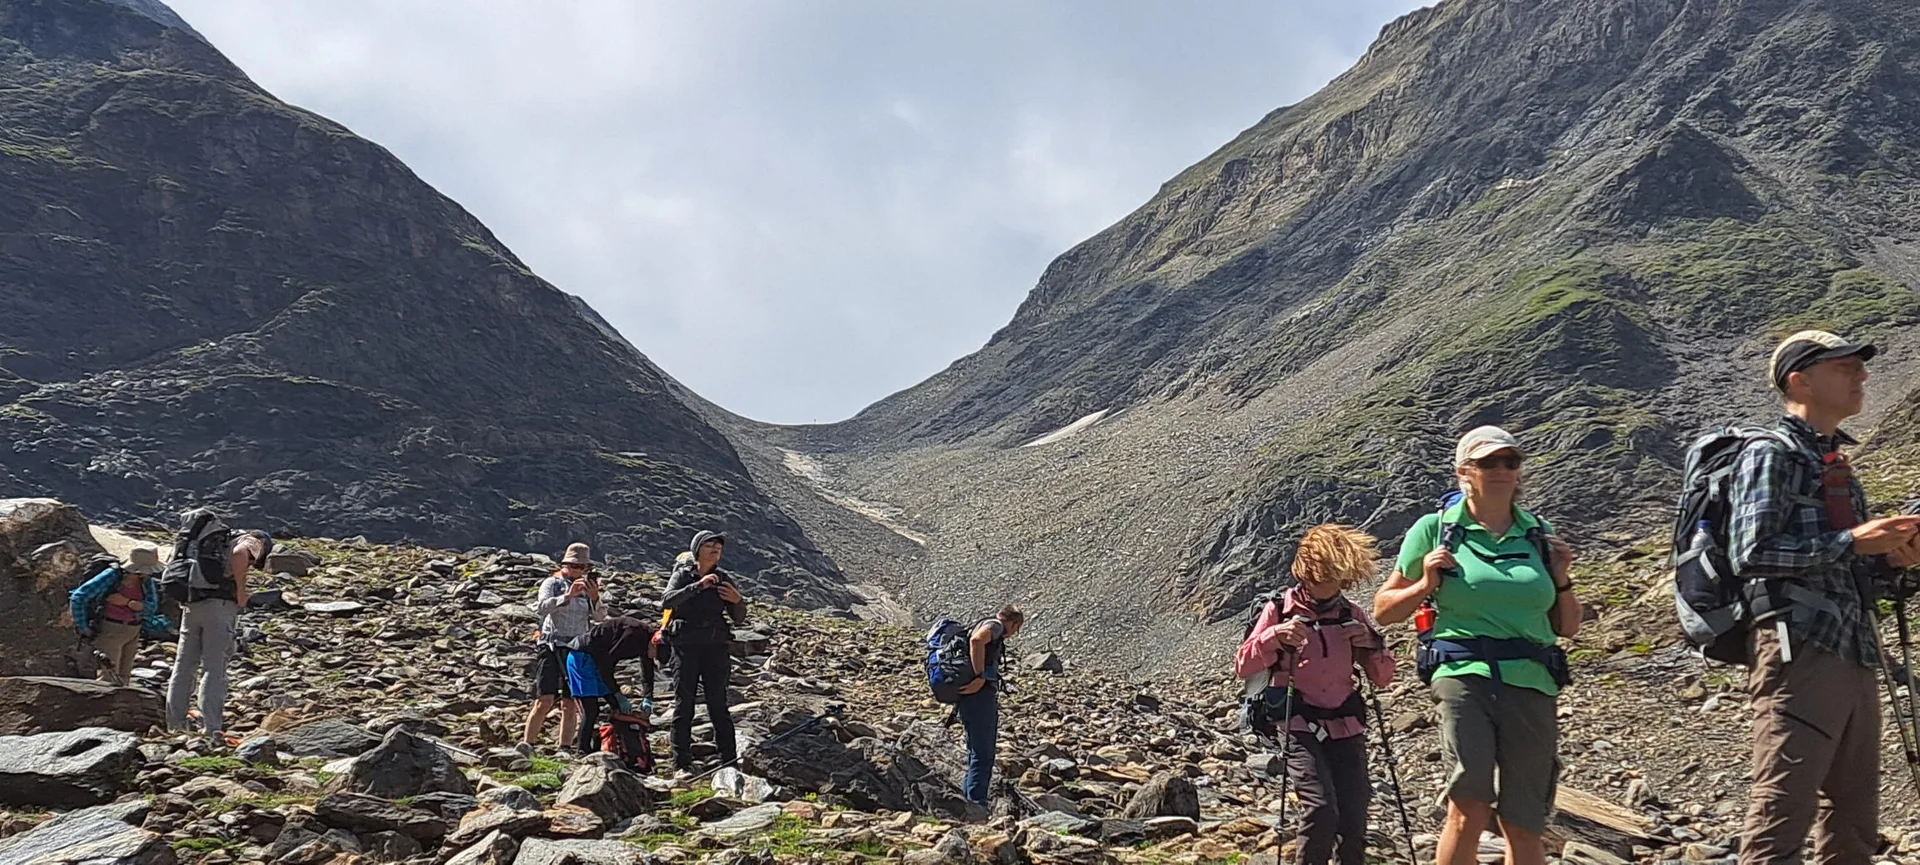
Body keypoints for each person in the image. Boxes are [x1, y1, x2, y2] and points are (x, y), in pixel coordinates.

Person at [1730, 331, 1920, 865]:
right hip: (1799, 646)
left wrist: (1891, 560)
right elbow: (1752, 552)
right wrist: (1853, 541)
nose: (1861, 376)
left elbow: (1843, 566)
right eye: (1844, 368)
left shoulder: (1833, 460)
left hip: (1852, 646)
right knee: (1783, 804)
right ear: (1800, 380)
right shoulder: (1769, 453)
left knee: (1854, 811)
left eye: (1859, 367)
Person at [1373, 426, 1581, 865]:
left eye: (1511, 461)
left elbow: (1567, 627)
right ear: (1464, 471)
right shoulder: (1435, 531)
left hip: (1533, 679)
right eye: (1490, 462)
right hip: (1463, 674)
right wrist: (1426, 583)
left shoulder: (1538, 534)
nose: (1503, 470)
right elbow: (1384, 610)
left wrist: (1562, 578)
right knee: (1469, 805)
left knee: (1525, 820)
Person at [1235, 525, 1394, 865]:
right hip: (1297, 722)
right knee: (1320, 810)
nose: (1327, 585)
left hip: (1346, 723)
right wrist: (1275, 636)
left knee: (1353, 818)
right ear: (1306, 573)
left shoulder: (1352, 615)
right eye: (1323, 575)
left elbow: (1383, 678)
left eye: (1335, 576)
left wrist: (1371, 642)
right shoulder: (1279, 610)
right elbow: (1243, 665)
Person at [166, 512, 270, 745]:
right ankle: (211, 728)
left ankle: (175, 725)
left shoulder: (205, 540)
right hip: (220, 607)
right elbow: (240, 554)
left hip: (192, 604)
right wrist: (241, 590)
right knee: (214, 668)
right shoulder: (254, 540)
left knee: (183, 666)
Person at [660, 530, 747, 774]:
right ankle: (681, 763)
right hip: (685, 647)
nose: (715, 548)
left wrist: (738, 600)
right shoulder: (682, 575)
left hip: (715, 647)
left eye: (718, 546)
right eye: (709, 544)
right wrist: (697, 587)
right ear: (697, 549)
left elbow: (739, 618)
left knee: (718, 704)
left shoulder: (724, 578)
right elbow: (667, 601)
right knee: (683, 704)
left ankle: (729, 762)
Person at [520, 542, 607, 755]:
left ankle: (564, 747)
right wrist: (567, 596)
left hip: (576, 647)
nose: (577, 571)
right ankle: (527, 745)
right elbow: (541, 608)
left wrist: (595, 598)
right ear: (564, 564)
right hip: (551, 644)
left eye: (582, 567)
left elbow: (599, 617)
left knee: (570, 701)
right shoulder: (552, 583)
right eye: (573, 566)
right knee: (545, 699)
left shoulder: (588, 589)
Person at [70, 545, 172, 686]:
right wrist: (83, 627)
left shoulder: (146, 581)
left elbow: (152, 607)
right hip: (111, 630)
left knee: (124, 678)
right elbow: (79, 597)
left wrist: (130, 603)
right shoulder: (112, 576)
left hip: (134, 631)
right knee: (108, 678)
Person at [955, 604, 1024, 807]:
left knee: (974, 751)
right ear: (1013, 623)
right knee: (984, 755)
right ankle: (977, 805)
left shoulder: (983, 622)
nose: (1013, 633)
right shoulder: (995, 627)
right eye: (1016, 629)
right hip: (980, 697)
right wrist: (981, 677)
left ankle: (966, 802)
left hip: (968, 699)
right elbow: (977, 641)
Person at [566, 615, 660, 755]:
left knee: (617, 709)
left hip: (598, 660)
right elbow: (606, 666)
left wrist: (648, 698)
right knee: (591, 709)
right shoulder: (632, 634)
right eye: (656, 654)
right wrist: (617, 693)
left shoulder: (649, 644)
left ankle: (619, 746)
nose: (654, 658)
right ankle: (582, 750)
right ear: (653, 644)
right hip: (582, 656)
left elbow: (647, 673)